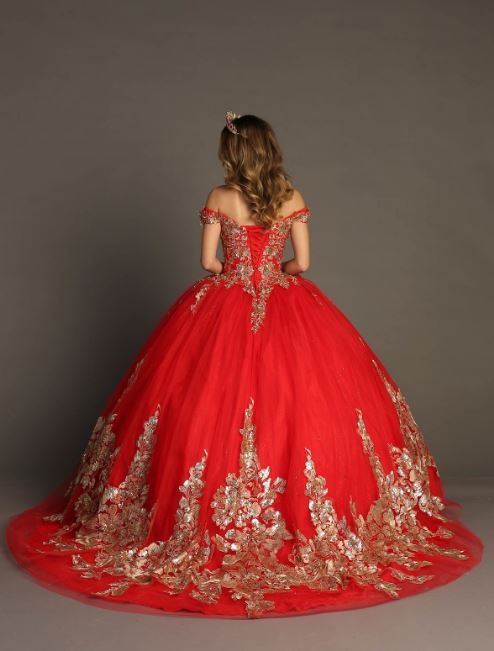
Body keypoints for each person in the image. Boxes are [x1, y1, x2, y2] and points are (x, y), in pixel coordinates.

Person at [6, 112, 483, 619]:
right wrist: (277, 271)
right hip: (284, 301)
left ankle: (189, 529)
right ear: (269, 150)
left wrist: (237, 270)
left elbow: (208, 263)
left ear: (231, 154)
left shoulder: (219, 197)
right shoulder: (292, 197)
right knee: (300, 408)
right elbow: (303, 264)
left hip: (225, 303)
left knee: (203, 409)